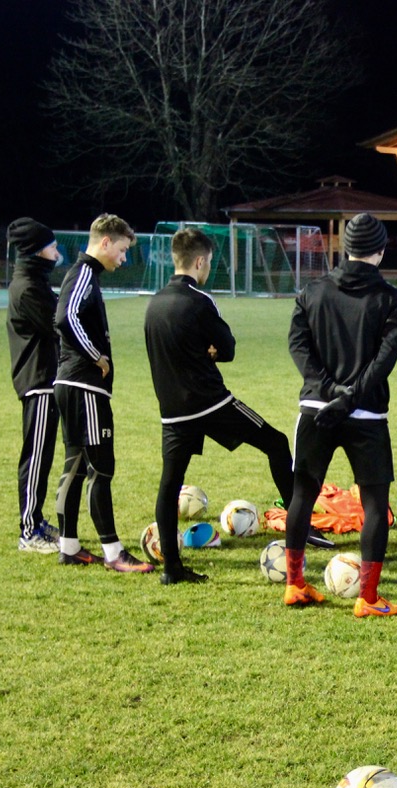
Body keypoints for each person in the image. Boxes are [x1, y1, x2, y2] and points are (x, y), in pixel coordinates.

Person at [143, 227, 299, 585]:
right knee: (276, 443)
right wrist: (211, 352)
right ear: (199, 261)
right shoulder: (199, 300)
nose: (208, 268)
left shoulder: (154, 303)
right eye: (209, 263)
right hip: (211, 404)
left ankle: (171, 569)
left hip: (172, 411)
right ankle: (299, 529)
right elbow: (226, 347)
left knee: (170, 485)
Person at [284, 213, 397, 615]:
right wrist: (350, 396)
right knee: (374, 504)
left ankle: (295, 585)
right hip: (366, 414)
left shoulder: (312, 290)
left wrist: (331, 392)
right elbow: (382, 363)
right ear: (381, 250)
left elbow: (299, 348)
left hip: (317, 408)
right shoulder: (390, 297)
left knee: (303, 494)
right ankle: (368, 600)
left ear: (344, 248)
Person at [53, 213, 154, 573]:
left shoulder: (85, 275)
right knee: (101, 469)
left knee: (76, 466)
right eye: (123, 250)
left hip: (71, 383)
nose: (124, 258)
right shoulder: (82, 273)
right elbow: (65, 318)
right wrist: (96, 355)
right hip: (84, 387)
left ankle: (69, 546)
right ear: (106, 242)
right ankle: (113, 553)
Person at [6, 217, 62, 553]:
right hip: (38, 381)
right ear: (37, 250)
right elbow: (59, 325)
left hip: (44, 380)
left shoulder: (33, 282)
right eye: (53, 247)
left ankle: (36, 521)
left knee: (42, 455)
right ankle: (29, 531)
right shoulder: (28, 288)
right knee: (36, 456)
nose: (57, 253)